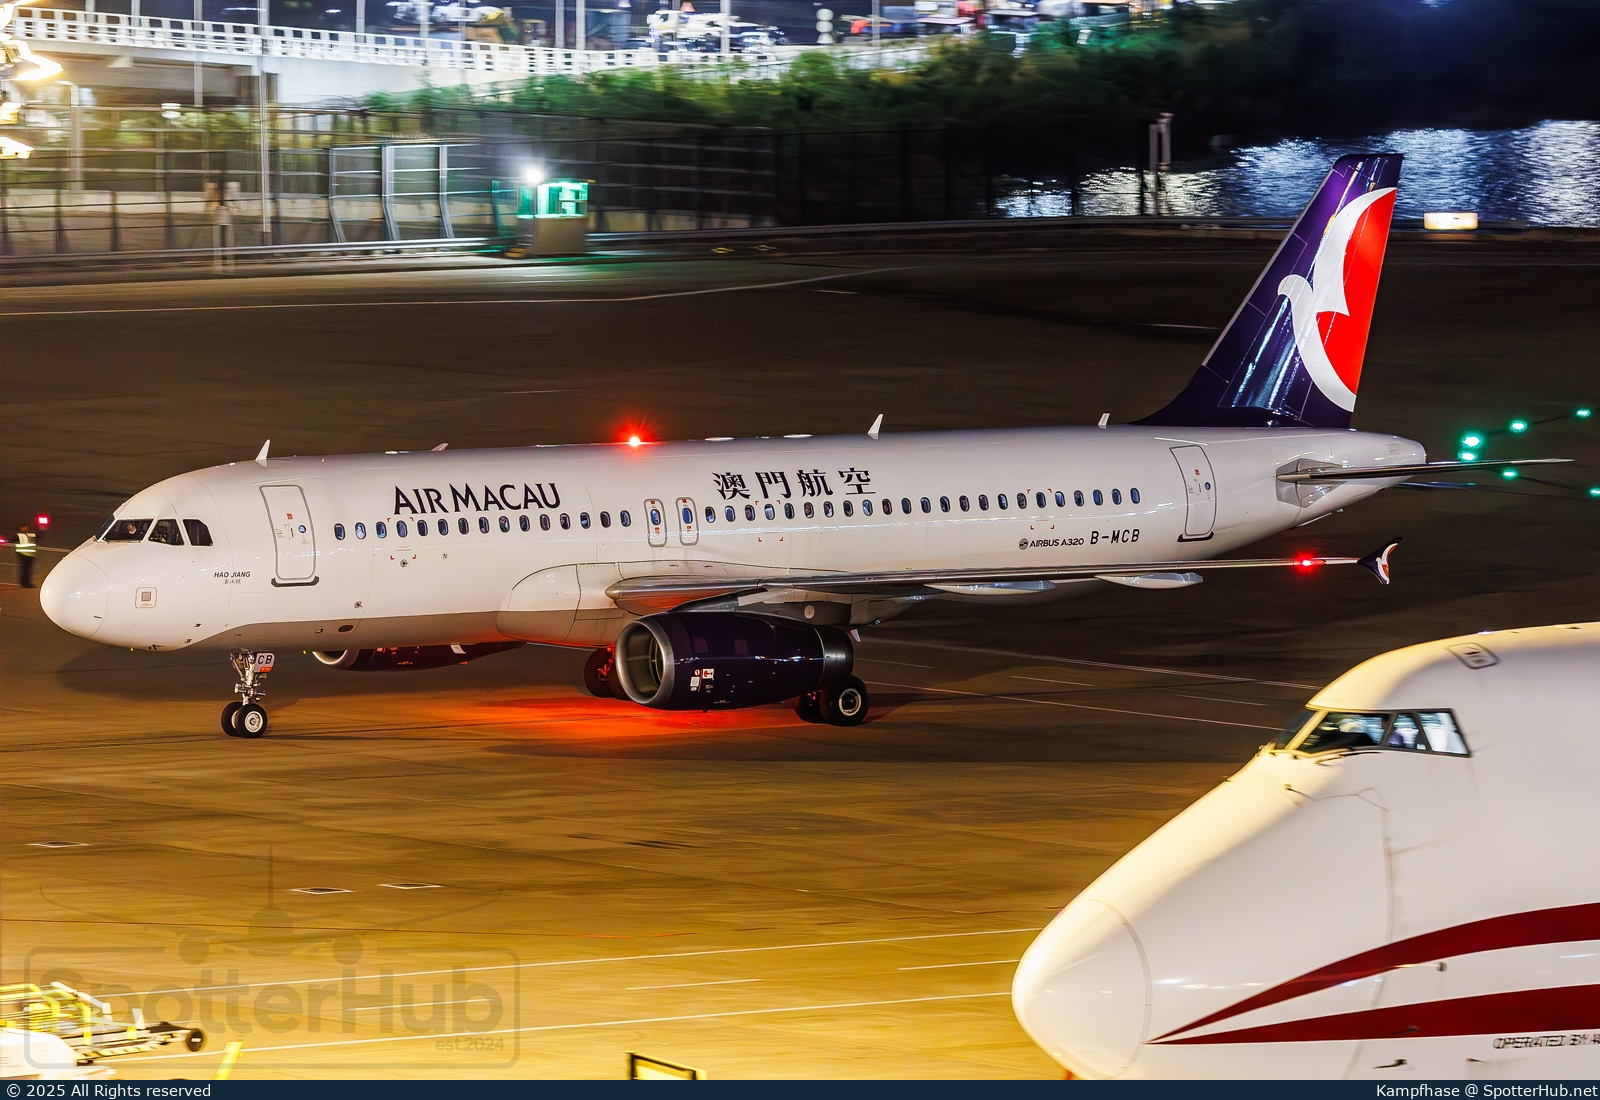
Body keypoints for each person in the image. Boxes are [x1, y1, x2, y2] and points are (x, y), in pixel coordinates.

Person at [14, 524, 37, 589]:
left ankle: (27, 583)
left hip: (30, 555)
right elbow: (12, 539)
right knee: (24, 570)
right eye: (24, 527)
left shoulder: (30, 534)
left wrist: (42, 529)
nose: (25, 528)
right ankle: (24, 583)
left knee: (28, 570)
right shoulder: (19, 535)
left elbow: (38, 536)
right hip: (22, 555)